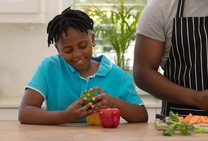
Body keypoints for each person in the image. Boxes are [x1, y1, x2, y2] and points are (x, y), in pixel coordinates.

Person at [18, 7, 148, 125]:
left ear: (92, 39)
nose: (77, 54)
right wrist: (64, 117)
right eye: (68, 50)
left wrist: (113, 102)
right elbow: (25, 113)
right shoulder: (49, 68)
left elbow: (141, 116)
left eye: (82, 46)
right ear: (58, 49)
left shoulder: (117, 75)